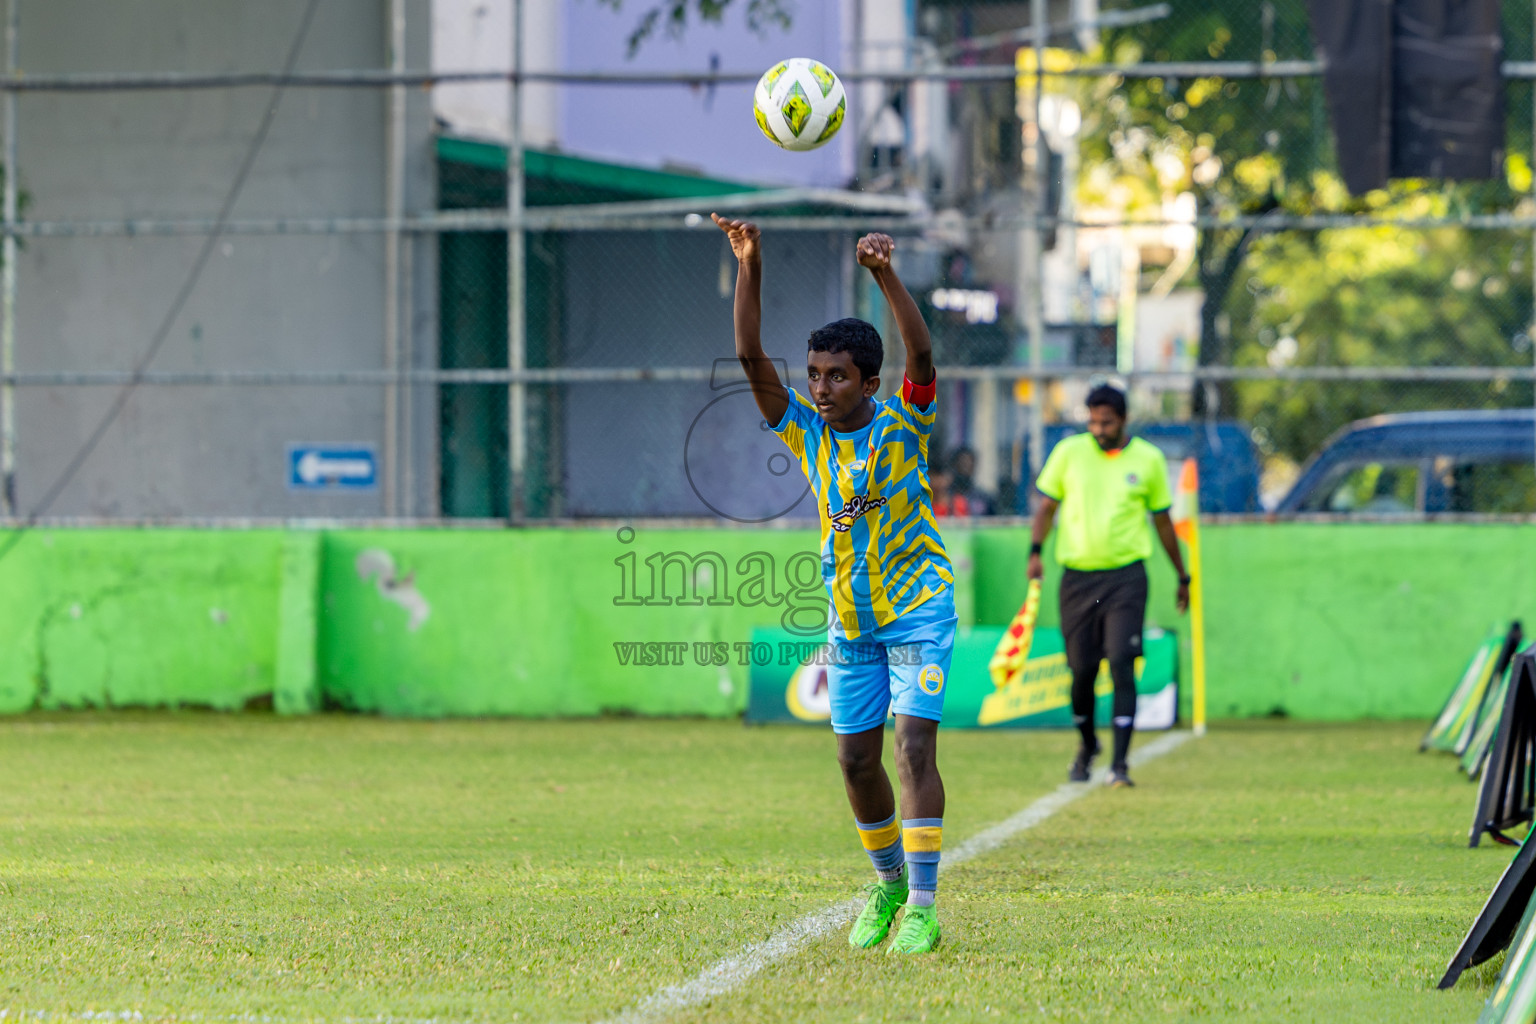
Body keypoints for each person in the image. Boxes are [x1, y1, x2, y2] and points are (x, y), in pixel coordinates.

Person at [712, 212, 955, 955]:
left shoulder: (905, 422)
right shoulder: (806, 430)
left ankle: (921, 904)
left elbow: (920, 351)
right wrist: (750, 262)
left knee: (913, 748)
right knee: (855, 760)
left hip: (918, 611)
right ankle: (885, 885)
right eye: (815, 374)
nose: (820, 386)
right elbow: (751, 355)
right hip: (850, 624)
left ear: (869, 383)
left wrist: (885, 273)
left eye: (836, 375)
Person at [1027, 384, 1190, 788]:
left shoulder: (1148, 460)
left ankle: (1120, 765)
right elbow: (1047, 507)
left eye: (1107, 422)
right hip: (1078, 579)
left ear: (1124, 420)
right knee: (1081, 669)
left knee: (1121, 660)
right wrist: (1034, 551)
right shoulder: (1069, 453)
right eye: (1093, 421)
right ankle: (1087, 746)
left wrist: (1181, 574)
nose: (1099, 429)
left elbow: (1163, 522)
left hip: (1125, 579)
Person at [949, 446, 995, 515]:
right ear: (955, 465)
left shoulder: (983, 498)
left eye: (969, 463)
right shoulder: (946, 497)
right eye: (962, 463)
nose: (965, 468)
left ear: (974, 466)